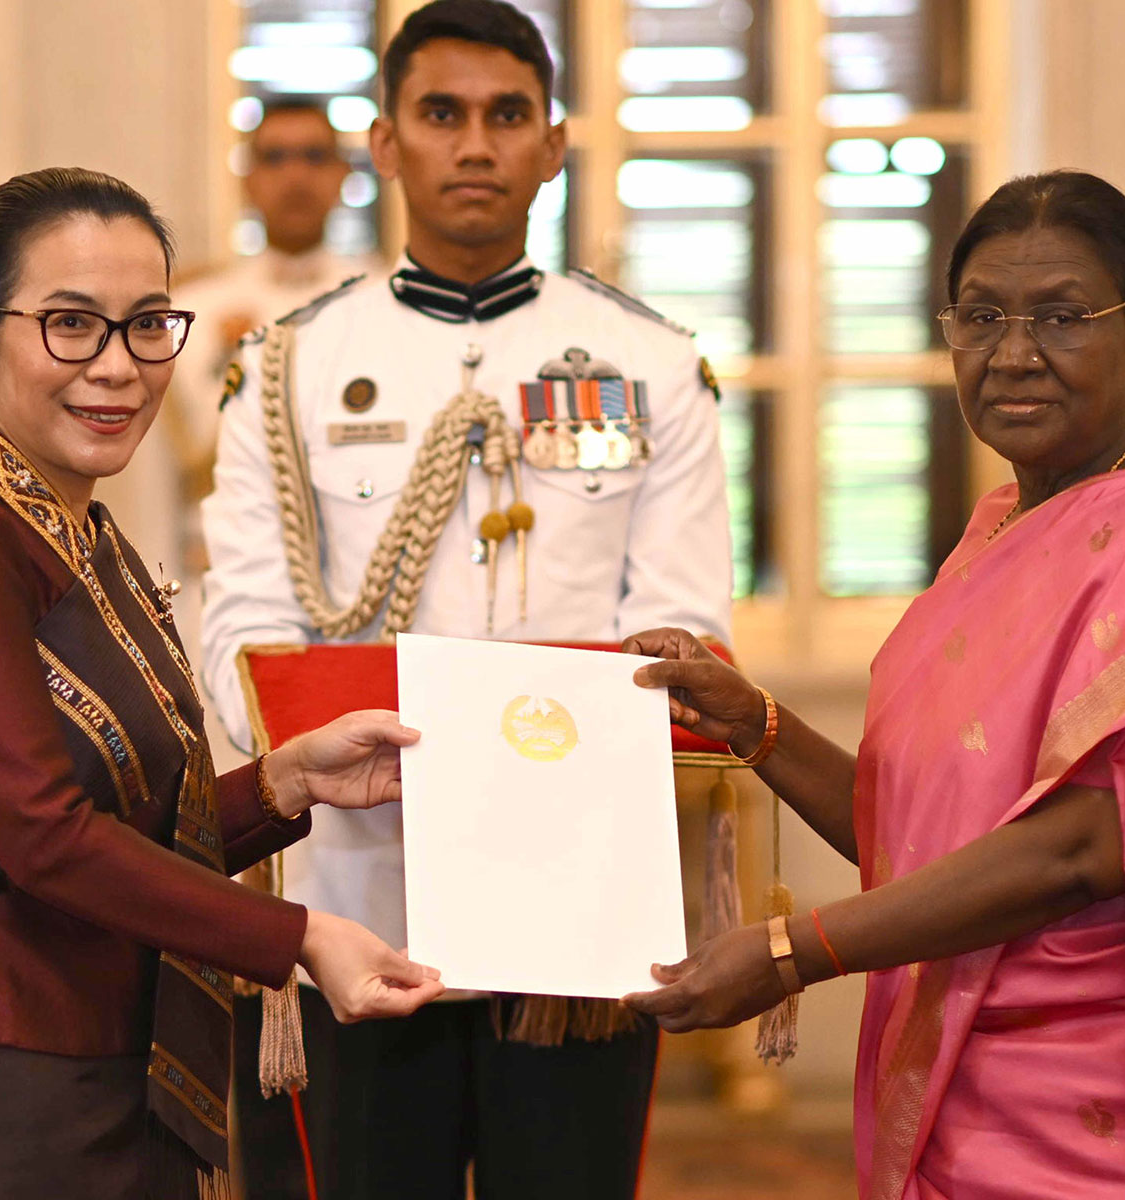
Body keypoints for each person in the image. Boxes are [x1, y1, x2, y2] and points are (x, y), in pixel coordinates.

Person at [623, 171, 1125, 1198]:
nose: (1013, 353)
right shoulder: (997, 528)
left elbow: (1079, 847)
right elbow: (920, 832)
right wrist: (756, 722)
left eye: (1062, 316)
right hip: (953, 1077)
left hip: (1096, 1108)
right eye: (980, 316)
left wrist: (791, 951)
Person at [0, 167, 443, 1200]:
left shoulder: (81, 537)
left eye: (147, 326)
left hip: (97, 1081)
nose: (119, 367)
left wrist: (283, 786)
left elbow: (122, 837)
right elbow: (43, 837)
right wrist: (300, 935)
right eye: (70, 325)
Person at [200, 2, 731, 1196]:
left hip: (579, 910)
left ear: (553, 143)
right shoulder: (288, 365)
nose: (475, 145)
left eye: (507, 117)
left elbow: (691, 625)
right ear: (386, 143)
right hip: (361, 896)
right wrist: (323, 735)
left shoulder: (648, 363)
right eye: (441, 115)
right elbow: (241, 625)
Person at [159, 97, 376, 506]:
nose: (296, 176)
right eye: (275, 158)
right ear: (248, 179)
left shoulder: (379, 300)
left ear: (342, 174)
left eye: (314, 156)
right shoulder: (189, 308)